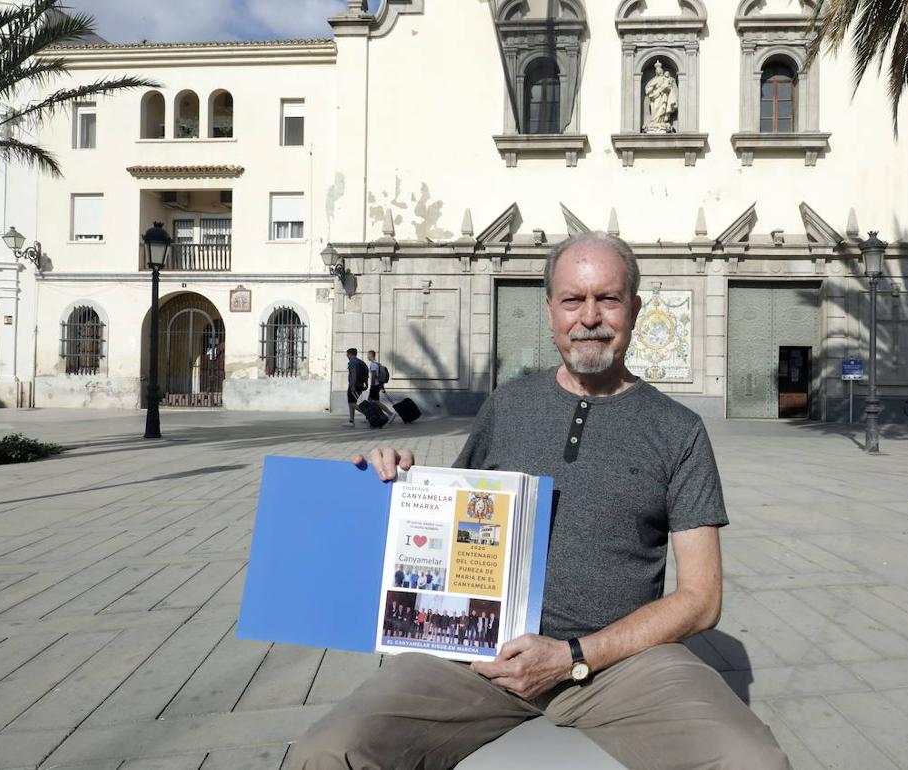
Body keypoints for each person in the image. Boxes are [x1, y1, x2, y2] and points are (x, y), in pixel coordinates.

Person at [290, 232, 790, 770]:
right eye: (573, 299)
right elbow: (445, 526)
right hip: (477, 655)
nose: (589, 317)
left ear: (636, 310)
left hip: (621, 666)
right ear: (549, 309)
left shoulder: (679, 431)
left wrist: (574, 657)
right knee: (327, 751)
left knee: (752, 761)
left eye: (609, 299)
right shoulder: (507, 406)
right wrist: (395, 484)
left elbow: (701, 598)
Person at [643, 59, 678, 133]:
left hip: (663, 97)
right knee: (655, 109)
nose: (659, 72)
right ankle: (655, 122)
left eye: (660, 71)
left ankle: (661, 122)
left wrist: (666, 88)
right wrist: (655, 92)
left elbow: (669, 88)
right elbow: (648, 89)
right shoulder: (654, 80)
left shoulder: (665, 79)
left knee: (663, 108)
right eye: (657, 71)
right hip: (655, 97)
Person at [365, 350, 394, 421]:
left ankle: (390, 414)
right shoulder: (377, 364)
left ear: (371, 355)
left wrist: (371, 386)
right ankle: (370, 417)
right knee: (371, 401)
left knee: (376, 402)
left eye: (368, 355)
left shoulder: (373, 364)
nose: (367, 356)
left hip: (374, 386)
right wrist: (381, 386)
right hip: (378, 385)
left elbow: (374, 376)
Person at [343, 348, 367, 428]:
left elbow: (353, 374)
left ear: (350, 354)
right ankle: (351, 421)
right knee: (351, 402)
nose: (347, 356)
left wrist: (352, 386)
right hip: (360, 385)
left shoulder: (352, 362)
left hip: (354, 386)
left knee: (352, 403)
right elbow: (366, 374)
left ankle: (368, 414)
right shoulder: (361, 362)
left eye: (347, 354)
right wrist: (366, 384)